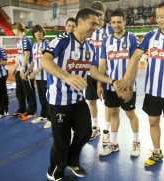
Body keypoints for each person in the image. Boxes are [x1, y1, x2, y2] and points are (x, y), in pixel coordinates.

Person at [41, 8, 119, 181]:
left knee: (84, 133)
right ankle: (55, 171)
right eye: (92, 24)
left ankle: (72, 161)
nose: (95, 28)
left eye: (97, 24)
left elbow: (93, 71)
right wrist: (67, 76)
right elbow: (45, 61)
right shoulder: (62, 40)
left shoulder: (90, 47)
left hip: (77, 99)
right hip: (58, 100)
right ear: (80, 22)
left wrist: (111, 81)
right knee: (61, 142)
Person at [117, 2, 164, 175]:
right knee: (153, 122)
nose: (158, 20)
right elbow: (135, 56)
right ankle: (157, 152)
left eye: (162, 16)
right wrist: (126, 79)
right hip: (152, 91)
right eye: (157, 16)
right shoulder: (151, 36)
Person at [97, 10, 140, 157]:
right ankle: (114, 143)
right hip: (110, 86)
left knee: (130, 114)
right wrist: (99, 85)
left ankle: (136, 142)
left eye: (119, 22)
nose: (116, 25)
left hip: (126, 87)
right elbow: (102, 65)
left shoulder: (132, 39)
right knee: (114, 113)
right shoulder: (106, 41)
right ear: (110, 23)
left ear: (124, 22)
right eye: (114, 22)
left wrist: (129, 86)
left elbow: (135, 65)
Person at [87, 1, 114, 144]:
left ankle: (107, 130)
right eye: (96, 14)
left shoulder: (111, 30)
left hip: (106, 73)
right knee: (91, 100)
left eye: (101, 14)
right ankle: (95, 126)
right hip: (90, 72)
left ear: (105, 14)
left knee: (108, 103)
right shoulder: (88, 30)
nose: (98, 17)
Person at [11, 22, 37, 120]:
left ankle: (31, 112)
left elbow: (26, 55)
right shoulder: (19, 41)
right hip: (20, 70)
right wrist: (15, 68)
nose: (13, 31)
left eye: (14, 29)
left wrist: (22, 69)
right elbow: (19, 56)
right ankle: (22, 110)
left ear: (17, 29)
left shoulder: (26, 40)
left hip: (26, 71)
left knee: (29, 92)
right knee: (19, 92)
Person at [29, 25, 51, 128]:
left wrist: (36, 71)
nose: (39, 33)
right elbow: (34, 60)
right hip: (38, 77)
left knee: (48, 98)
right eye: (36, 31)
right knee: (42, 98)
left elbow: (47, 60)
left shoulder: (47, 44)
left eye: (40, 31)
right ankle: (43, 115)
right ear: (34, 34)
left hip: (47, 76)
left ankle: (51, 119)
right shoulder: (34, 46)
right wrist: (28, 71)